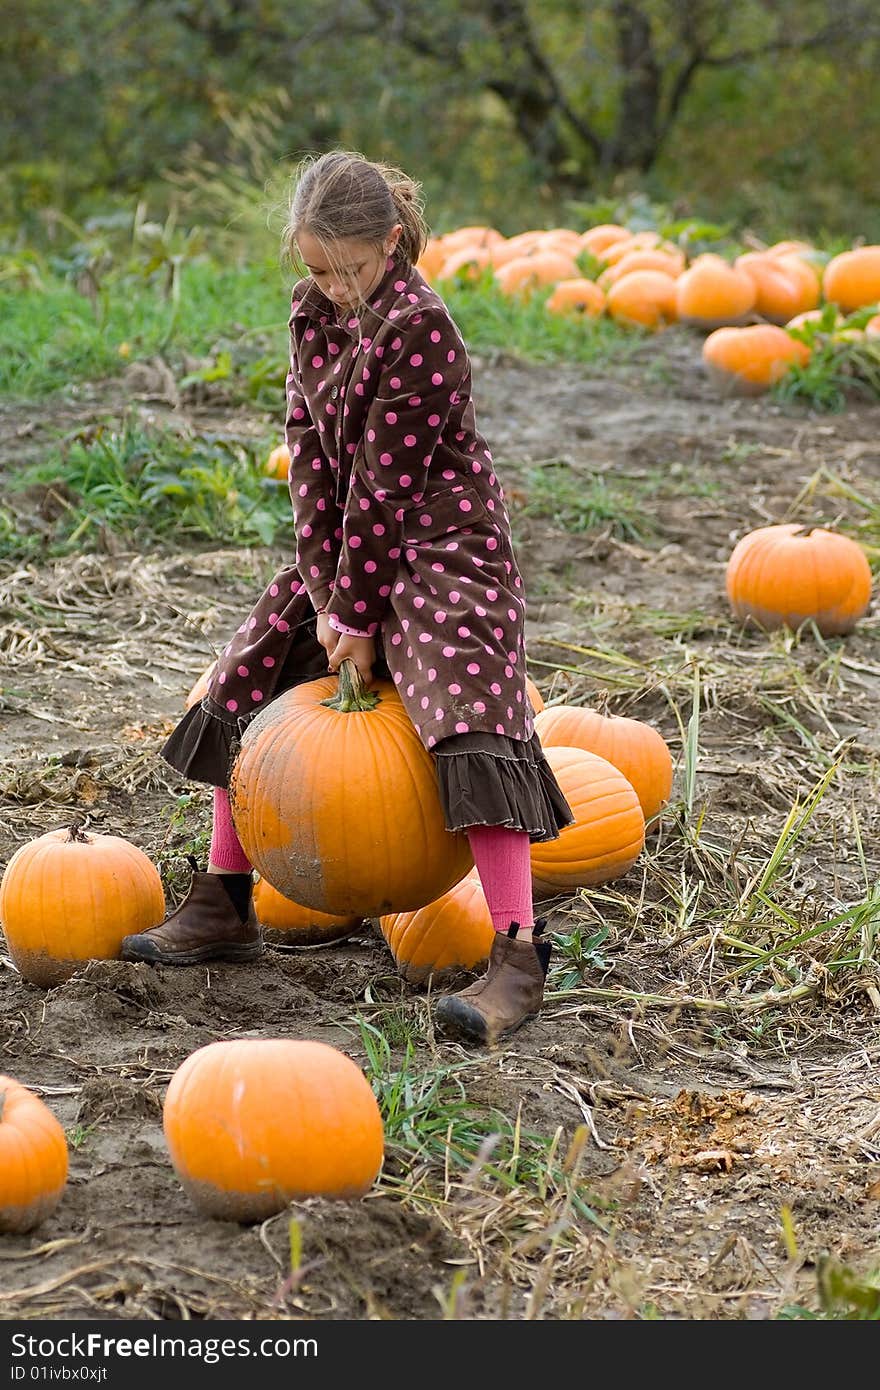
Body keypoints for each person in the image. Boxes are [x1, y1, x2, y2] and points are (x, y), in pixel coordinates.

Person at [121, 150, 573, 1045]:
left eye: (348, 269)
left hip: (440, 541)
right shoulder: (312, 313)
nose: (330, 288)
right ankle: (225, 903)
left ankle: (517, 953)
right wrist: (325, 598)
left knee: (469, 707)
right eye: (315, 269)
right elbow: (313, 462)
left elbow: (385, 487)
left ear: (392, 244)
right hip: (347, 550)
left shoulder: (421, 328)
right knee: (247, 675)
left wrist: (359, 620)